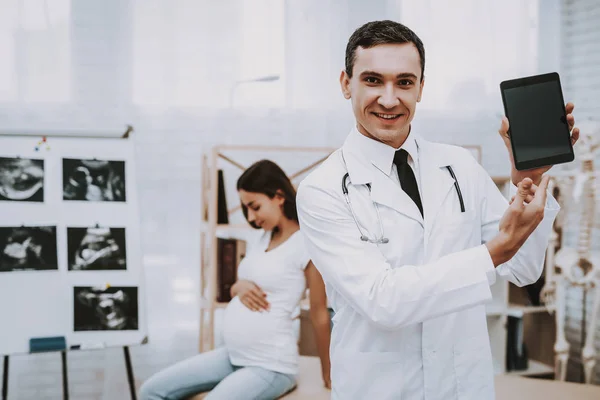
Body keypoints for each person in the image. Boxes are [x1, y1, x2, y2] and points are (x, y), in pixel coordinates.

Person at [295, 20, 580, 400]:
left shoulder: (458, 165)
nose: (390, 98)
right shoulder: (322, 190)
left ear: (421, 88)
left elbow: (524, 270)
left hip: (464, 386)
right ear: (347, 84)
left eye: (405, 82)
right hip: (379, 390)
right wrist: (492, 252)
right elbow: (384, 301)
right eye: (373, 80)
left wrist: (526, 184)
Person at [140, 160, 331, 400]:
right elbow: (242, 284)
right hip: (233, 355)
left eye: (255, 206)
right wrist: (238, 287)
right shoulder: (263, 238)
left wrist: (329, 372)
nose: (251, 216)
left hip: (270, 365)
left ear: (279, 196)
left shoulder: (307, 244)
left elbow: (319, 313)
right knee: (151, 391)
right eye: (245, 208)